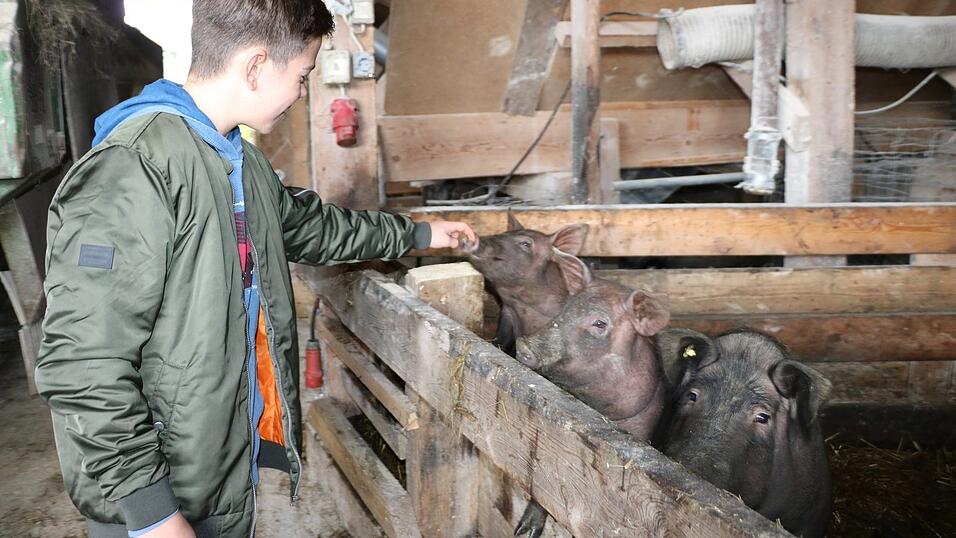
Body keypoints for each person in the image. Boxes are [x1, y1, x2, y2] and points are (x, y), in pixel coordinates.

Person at [34, 1, 475, 537]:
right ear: (256, 66)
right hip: (155, 499)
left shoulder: (237, 161)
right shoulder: (133, 167)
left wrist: (420, 234)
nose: (302, 93)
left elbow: (311, 227)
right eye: (303, 76)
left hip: (218, 467)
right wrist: (151, 513)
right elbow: (83, 360)